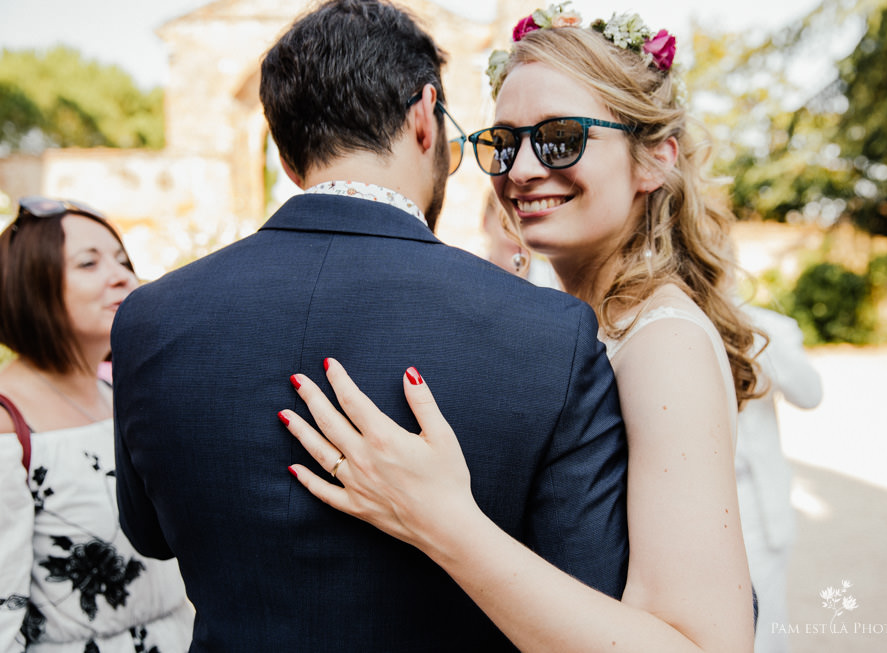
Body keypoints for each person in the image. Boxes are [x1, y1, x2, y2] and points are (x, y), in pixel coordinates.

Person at [109, 1, 628, 651]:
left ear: (285, 154)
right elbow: (593, 588)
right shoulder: (550, 332)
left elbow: (148, 532)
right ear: (422, 117)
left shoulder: (148, 318)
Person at [282, 4, 763, 652]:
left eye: (561, 137)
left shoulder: (662, 341)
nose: (522, 169)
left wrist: (443, 520)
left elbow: (700, 645)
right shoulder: (574, 319)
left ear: (654, 159)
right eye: (503, 142)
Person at [0, 197, 192, 652]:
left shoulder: (122, 395)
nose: (122, 275)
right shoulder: (8, 425)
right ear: (29, 285)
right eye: (89, 263)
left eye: (123, 259)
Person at [735, 305, 822, 652]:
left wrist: (746, 329)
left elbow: (810, 394)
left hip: (752, 500)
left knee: (764, 625)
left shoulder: (769, 325)